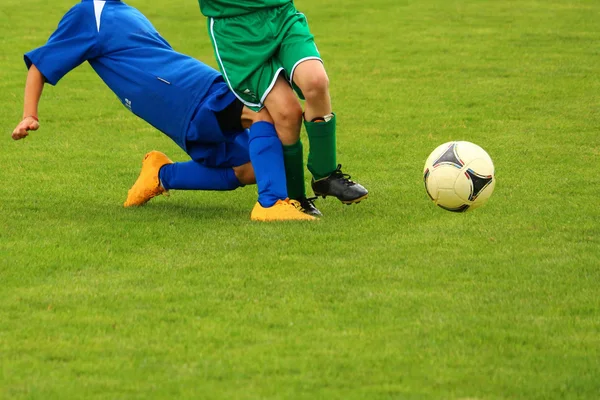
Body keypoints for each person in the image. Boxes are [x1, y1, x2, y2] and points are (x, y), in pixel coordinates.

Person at [11, 0, 314, 221]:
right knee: (260, 113)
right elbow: (41, 63)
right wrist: (30, 114)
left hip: (186, 94)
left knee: (250, 169)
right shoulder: (91, 12)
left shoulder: (125, 11)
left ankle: (161, 174)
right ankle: (272, 204)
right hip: (189, 93)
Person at [199, 0, 369, 217]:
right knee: (287, 113)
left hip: (281, 15)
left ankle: (325, 175)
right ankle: (295, 197)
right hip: (237, 30)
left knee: (316, 82)